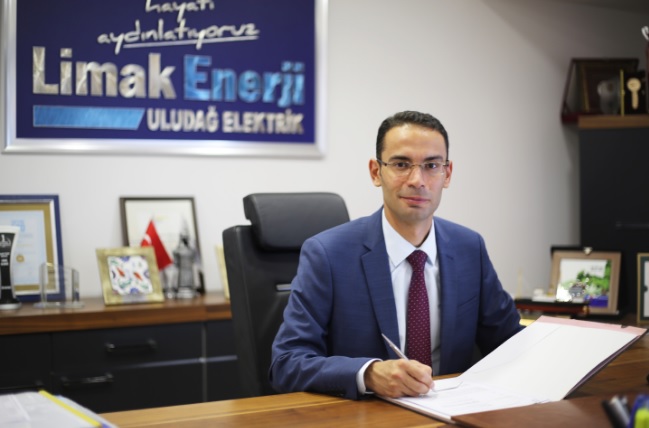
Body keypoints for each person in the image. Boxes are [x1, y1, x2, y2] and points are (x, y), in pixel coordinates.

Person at [269, 110, 523, 400]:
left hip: (452, 412)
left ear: (447, 174)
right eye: (401, 164)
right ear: (376, 172)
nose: (417, 180)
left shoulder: (469, 248)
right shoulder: (328, 254)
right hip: (366, 415)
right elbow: (286, 362)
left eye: (431, 165)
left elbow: (511, 344)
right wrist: (368, 373)